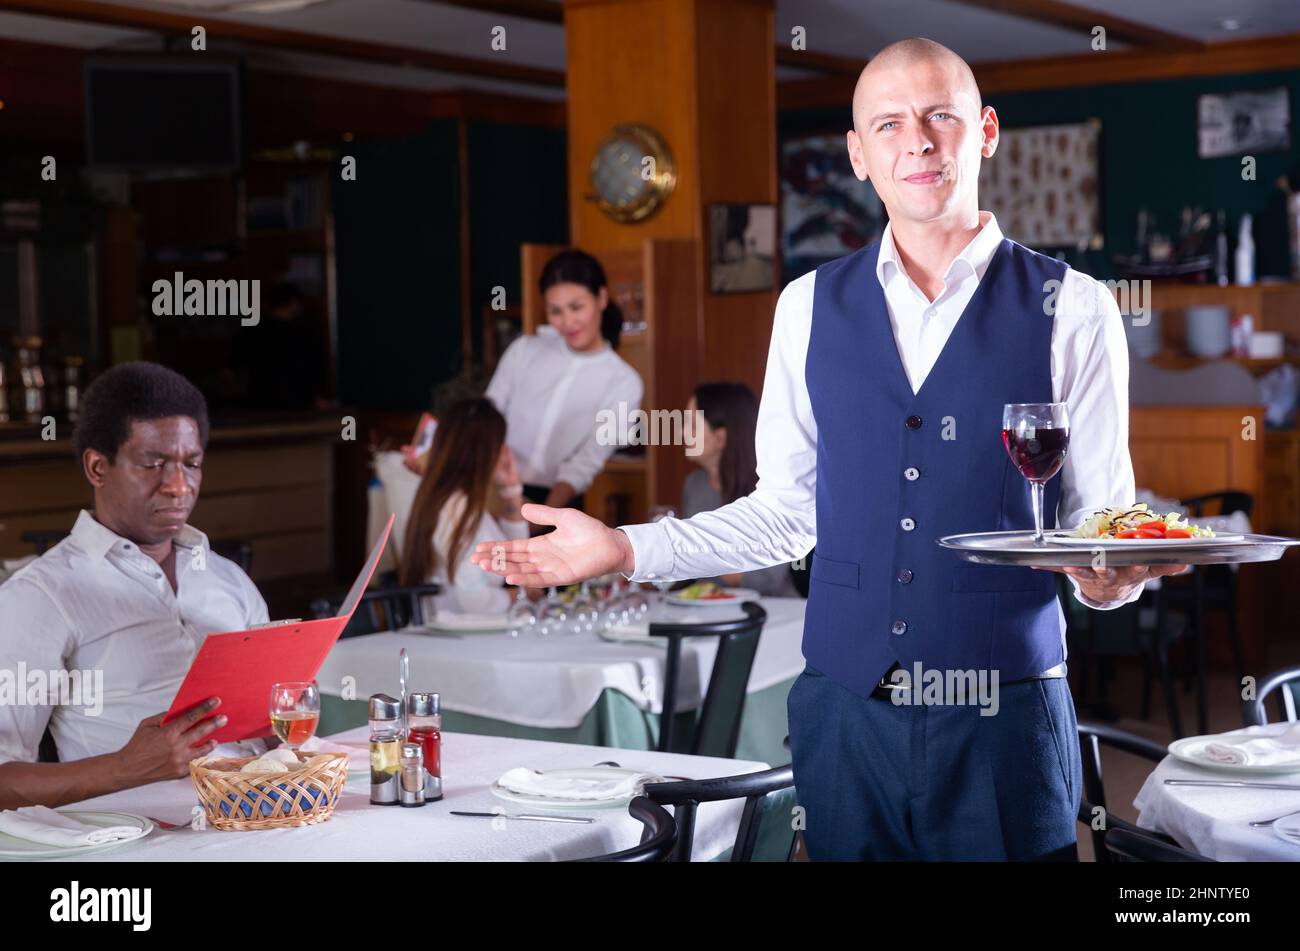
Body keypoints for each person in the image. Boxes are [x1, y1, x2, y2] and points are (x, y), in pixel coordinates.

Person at [470, 38, 1188, 861]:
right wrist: (624, 547)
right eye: (887, 124)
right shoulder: (806, 305)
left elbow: (1097, 519)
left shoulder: (1077, 306)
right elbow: (785, 513)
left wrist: (1108, 581)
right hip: (845, 719)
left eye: (939, 116)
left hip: (1005, 717)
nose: (915, 140)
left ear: (984, 131)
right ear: (858, 154)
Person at [0, 361, 268, 810]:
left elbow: (274, 722)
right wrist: (126, 766)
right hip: (144, 841)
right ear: (98, 467)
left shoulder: (227, 578)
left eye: (192, 463)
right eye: (153, 464)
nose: (179, 486)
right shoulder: (40, 596)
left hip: (262, 817)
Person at [486, 249, 643, 512]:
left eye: (576, 307)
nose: (568, 321)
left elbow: (588, 460)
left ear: (601, 298)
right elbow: (487, 417)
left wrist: (544, 515)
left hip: (556, 501)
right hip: (494, 486)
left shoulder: (624, 382)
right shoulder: (525, 350)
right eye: (555, 311)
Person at [398, 398, 529, 614]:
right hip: (461, 633)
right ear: (488, 452)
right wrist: (521, 596)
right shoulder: (458, 511)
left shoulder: (449, 498)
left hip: (464, 629)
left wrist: (512, 489)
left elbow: (514, 555)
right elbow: (473, 600)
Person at [681, 382, 799, 597]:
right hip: (709, 610)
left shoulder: (770, 490)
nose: (683, 432)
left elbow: (766, 578)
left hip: (776, 613)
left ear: (720, 438)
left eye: (692, 425)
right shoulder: (694, 484)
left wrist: (699, 556)